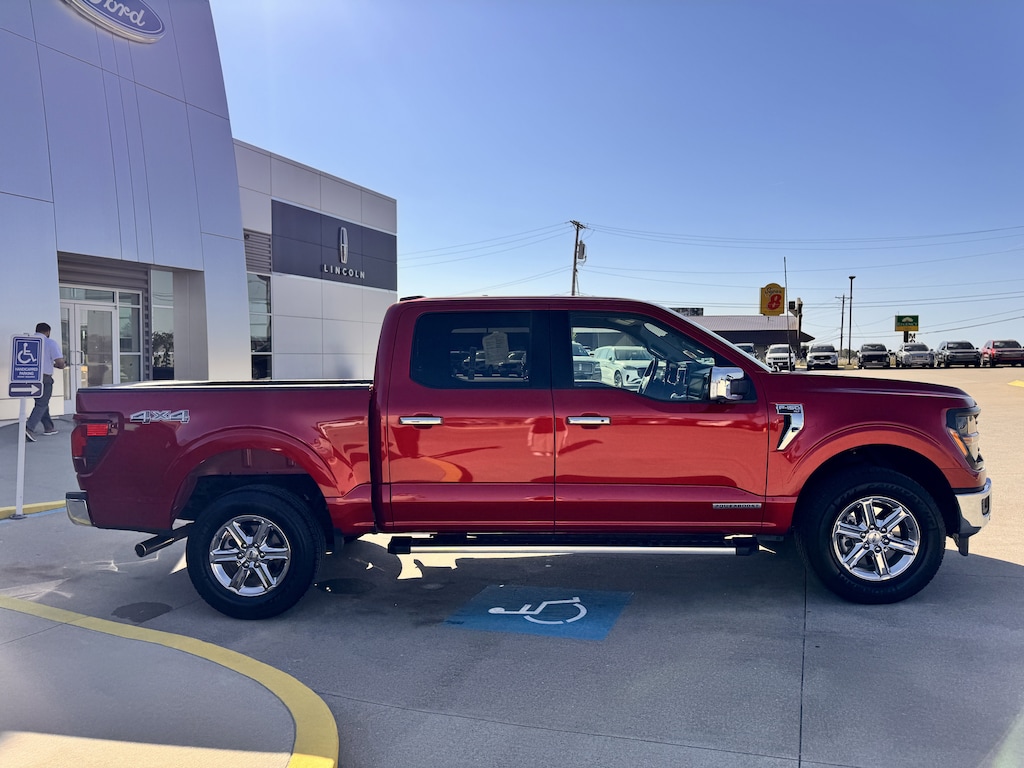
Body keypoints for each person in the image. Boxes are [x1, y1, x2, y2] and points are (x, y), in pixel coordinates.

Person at [25, 322, 67, 442]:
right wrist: (60, 365)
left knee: (41, 402)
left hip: (29, 376)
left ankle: (49, 427)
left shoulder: (29, 342)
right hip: (44, 378)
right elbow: (59, 362)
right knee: (42, 404)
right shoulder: (50, 343)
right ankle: (29, 428)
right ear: (48, 332)